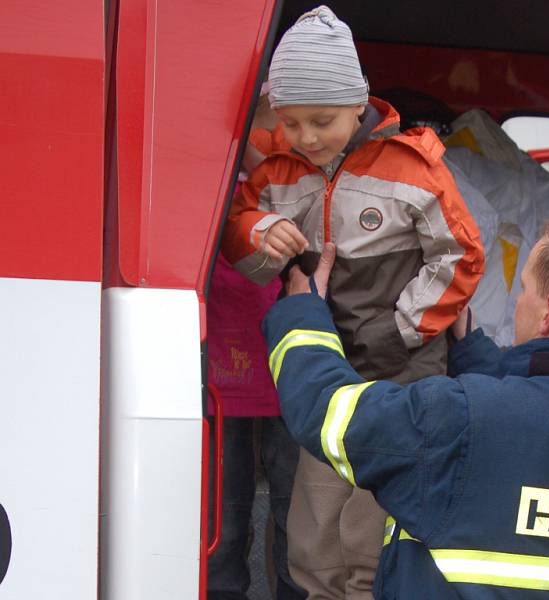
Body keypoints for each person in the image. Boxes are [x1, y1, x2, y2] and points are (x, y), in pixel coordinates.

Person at [220, 6, 484, 598]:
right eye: (290, 124)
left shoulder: (414, 167)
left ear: (360, 103)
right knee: (312, 534)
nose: (306, 138)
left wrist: (400, 330)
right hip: (326, 379)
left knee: (373, 534)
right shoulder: (279, 173)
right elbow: (235, 233)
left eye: (322, 121)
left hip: (402, 380)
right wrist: (260, 230)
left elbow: (461, 257)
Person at [264, 214, 549, 599]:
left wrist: (302, 311)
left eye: (524, 290)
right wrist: (471, 349)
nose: (518, 302)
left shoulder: (455, 418)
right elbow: (532, 431)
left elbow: (327, 409)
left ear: (547, 313)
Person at [206, 89, 304, 600]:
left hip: (290, 353)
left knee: (296, 512)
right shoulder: (207, 175)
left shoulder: (301, 170)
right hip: (223, 355)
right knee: (224, 510)